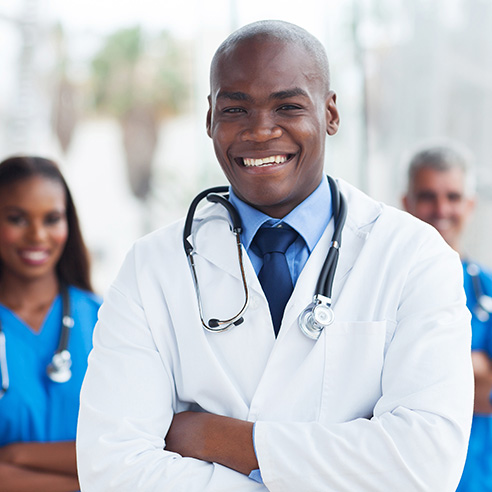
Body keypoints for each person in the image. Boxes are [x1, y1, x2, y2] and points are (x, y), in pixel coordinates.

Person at [77, 20, 473, 491]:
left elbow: (424, 466)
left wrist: (216, 437)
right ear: (209, 119)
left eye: (287, 105)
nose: (261, 131)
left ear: (330, 114)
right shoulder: (152, 267)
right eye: (235, 108)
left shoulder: (414, 256)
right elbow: (112, 470)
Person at [0, 155, 101, 492]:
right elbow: (106, 469)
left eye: (52, 218)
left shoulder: (109, 320)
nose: (37, 235)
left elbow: (137, 449)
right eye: (17, 219)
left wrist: (16, 456)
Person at [402, 142, 492, 492]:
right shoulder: (381, 285)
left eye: (453, 197)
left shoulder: (485, 288)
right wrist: (476, 367)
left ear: (470, 205)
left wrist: (408, 367)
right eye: (427, 196)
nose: (440, 209)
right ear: (406, 203)